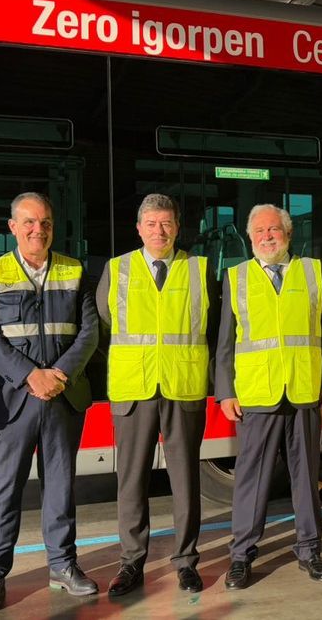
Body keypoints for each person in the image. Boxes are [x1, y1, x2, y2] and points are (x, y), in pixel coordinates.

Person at [0, 192, 100, 613]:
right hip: (13, 399)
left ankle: (63, 565)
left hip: (62, 394)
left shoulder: (75, 270)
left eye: (44, 222)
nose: (37, 230)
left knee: (61, 485)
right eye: (28, 222)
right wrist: (30, 376)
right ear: (12, 227)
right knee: (5, 488)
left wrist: (58, 375)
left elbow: (88, 331)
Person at [215, 204, 322, 590]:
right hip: (258, 392)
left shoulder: (313, 271)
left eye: (274, 229)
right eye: (259, 231)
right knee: (251, 479)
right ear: (249, 237)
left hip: (304, 388)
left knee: (306, 476)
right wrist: (225, 391)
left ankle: (309, 549)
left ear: (288, 235)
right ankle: (241, 556)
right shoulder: (236, 276)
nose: (267, 236)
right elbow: (224, 340)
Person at [96, 194, 215, 597]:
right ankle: (131, 563)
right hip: (135, 387)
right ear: (139, 228)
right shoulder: (118, 270)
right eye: (151, 224)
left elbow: (210, 325)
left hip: (183, 386)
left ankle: (186, 561)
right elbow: (106, 318)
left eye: (166, 223)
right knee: (131, 482)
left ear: (178, 226)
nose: (159, 231)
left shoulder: (199, 269)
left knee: (185, 480)